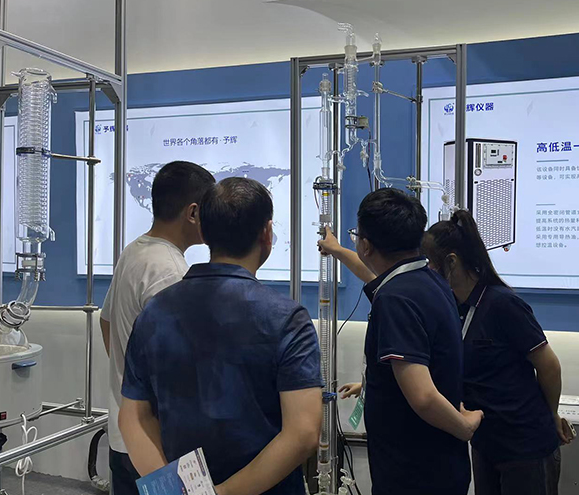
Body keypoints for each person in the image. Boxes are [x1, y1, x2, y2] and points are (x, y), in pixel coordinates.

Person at [321, 208, 573, 495]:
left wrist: (552, 415)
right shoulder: (448, 300)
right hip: (484, 440)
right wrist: (337, 250)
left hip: (524, 442)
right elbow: (376, 275)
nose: (420, 271)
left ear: (451, 262)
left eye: (427, 263)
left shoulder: (502, 304)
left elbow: (549, 366)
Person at [119, 177, 323, 495]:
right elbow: (304, 432)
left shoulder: (155, 313)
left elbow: (133, 418)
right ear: (267, 233)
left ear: (202, 231)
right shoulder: (287, 319)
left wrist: (175, 490)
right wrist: (224, 492)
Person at [340, 188, 481, 495]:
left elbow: (423, 397)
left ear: (365, 245)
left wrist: (465, 428)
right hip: (441, 467)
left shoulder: (396, 299)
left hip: (412, 474)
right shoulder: (431, 282)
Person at [100, 161, 214, 495]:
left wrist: (127, 379)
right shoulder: (170, 271)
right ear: (193, 213)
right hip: (159, 445)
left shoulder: (134, 251)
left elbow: (106, 322)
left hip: (125, 435)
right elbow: (176, 367)